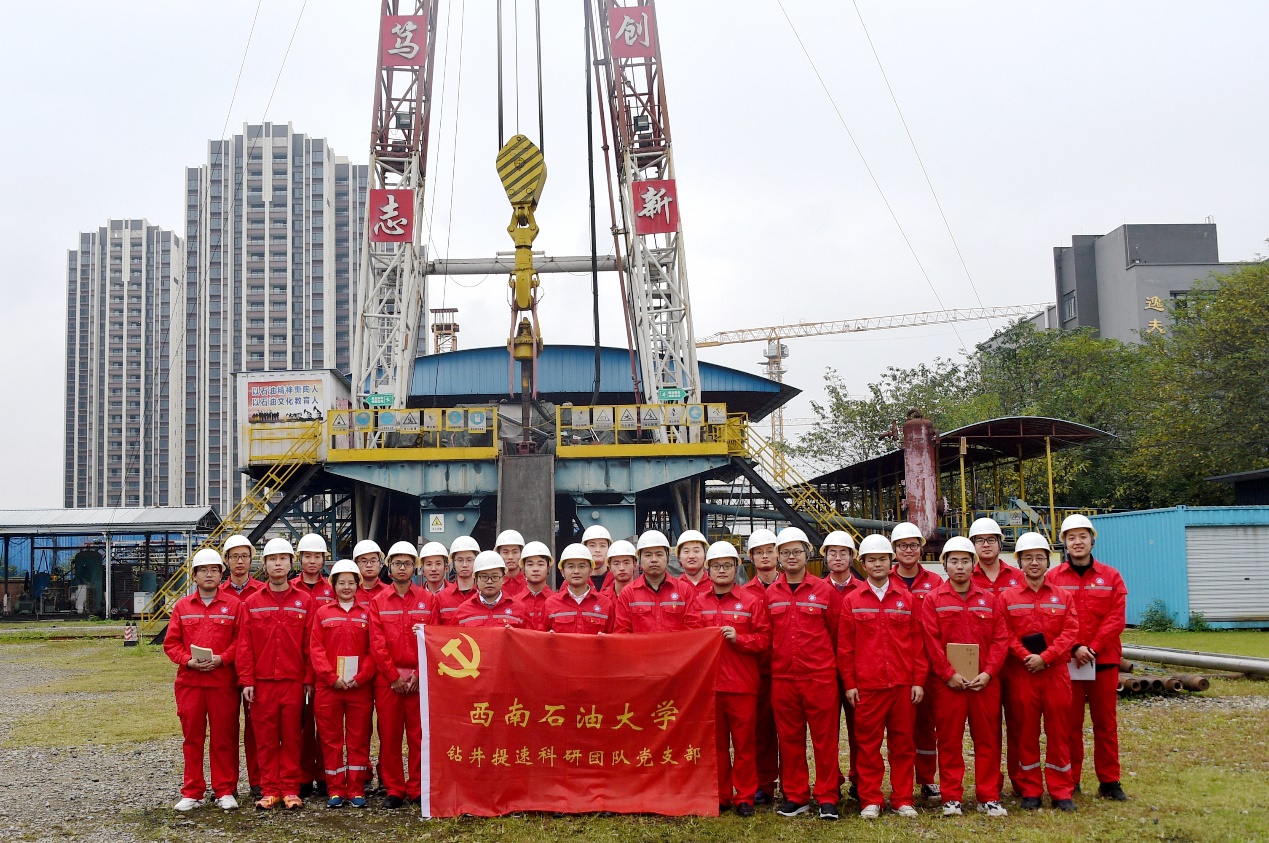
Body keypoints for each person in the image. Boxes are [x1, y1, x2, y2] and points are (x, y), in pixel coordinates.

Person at [919, 537, 1009, 818]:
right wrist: (948, 674)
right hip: (949, 685)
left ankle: (989, 796)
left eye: (965, 561)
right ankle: (951, 797)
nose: (960, 566)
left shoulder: (989, 600)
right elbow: (931, 641)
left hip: (984, 684)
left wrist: (989, 672)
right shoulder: (934, 600)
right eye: (954, 561)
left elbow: (1001, 639)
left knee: (988, 740)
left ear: (974, 564)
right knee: (949, 740)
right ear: (945, 565)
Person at [839, 533, 925, 820]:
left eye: (883, 559)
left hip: (902, 684)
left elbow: (918, 643)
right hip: (868, 686)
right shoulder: (852, 601)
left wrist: (918, 681)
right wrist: (850, 683)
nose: (877, 564)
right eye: (871, 560)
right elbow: (845, 647)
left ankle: (903, 798)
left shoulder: (906, 599)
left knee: (903, 745)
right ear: (863, 564)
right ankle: (870, 798)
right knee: (867, 746)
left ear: (892, 562)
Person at [1049, 513, 1128, 801]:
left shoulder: (1111, 577)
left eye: (1083, 536)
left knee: (1105, 724)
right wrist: (1073, 648)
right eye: (1071, 537)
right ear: (1065, 543)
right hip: (1067, 662)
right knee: (1069, 724)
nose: (1077, 542)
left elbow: (1116, 618)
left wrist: (1092, 647)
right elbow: (1050, 618)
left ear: (1092, 541)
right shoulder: (1053, 578)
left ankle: (1109, 781)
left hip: (1103, 660)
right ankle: (1070, 779)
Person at [766, 527, 842, 820]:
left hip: (819, 677)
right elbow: (768, 636)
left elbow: (836, 633)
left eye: (797, 551)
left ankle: (827, 797)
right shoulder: (771, 594)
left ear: (807, 553)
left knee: (825, 740)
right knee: (789, 740)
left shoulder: (824, 591)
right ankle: (796, 796)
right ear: (778, 557)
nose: (791, 557)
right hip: (783, 678)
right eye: (785, 552)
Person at [1001, 532, 1079, 812]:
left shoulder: (1063, 596)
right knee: (1026, 733)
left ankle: (1061, 790)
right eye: (1028, 558)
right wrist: (1026, 657)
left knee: (1059, 732)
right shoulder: (1007, 597)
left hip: (1055, 673)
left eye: (1039, 557)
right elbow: (1004, 634)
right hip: (1023, 674)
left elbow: (1070, 632)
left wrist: (1045, 658)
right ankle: (1030, 789)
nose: (1034, 562)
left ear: (1049, 561)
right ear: (1019, 562)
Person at [236, 538, 314, 811]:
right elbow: (245, 645)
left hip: (293, 682)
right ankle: (269, 790)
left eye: (283, 559)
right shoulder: (252, 602)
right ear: (264, 565)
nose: (278, 564)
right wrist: (246, 680)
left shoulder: (304, 601)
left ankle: (290, 789)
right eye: (272, 559)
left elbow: (310, 643)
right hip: (262, 683)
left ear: (292, 564)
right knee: (265, 739)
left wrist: (308, 679)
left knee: (292, 737)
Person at [164, 548, 242, 812]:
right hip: (190, 684)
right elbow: (171, 643)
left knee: (223, 738)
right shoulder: (183, 606)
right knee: (192, 738)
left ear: (222, 574)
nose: (209, 574)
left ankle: (224, 790)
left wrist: (222, 658)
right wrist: (187, 660)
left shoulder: (234, 606)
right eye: (203, 570)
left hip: (222, 683)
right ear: (194, 575)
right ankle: (192, 791)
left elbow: (240, 641)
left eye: (214, 570)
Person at [699, 541, 771, 817]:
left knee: (744, 744)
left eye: (727, 565)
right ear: (708, 570)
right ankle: (721, 795)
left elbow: (764, 639)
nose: (722, 570)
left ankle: (745, 797)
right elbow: (688, 637)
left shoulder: (751, 602)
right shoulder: (698, 603)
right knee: (716, 746)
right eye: (716, 566)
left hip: (742, 685)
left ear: (736, 568)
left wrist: (740, 639)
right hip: (709, 687)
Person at [367, 541, 435, 809]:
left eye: (407, 563)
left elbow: (434, 639)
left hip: (420, 680)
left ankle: (417, 787)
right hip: (388, 682)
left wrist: (419, 673)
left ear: (415, 566)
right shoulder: (378, 602)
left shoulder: (428, 600)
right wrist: (393, 677)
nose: (402, 568)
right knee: (390, 736)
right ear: (389, 567)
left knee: (419, 736)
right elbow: (377, 643)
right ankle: (394, 788)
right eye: (397, 563)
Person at [308, 560, 376, 809]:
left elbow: (374, 650)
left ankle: (356, 788)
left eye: (351, 582)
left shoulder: (368, 613)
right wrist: (330, 677)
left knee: (359, 738)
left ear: (358, 585)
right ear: (333, 585)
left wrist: (361, 677)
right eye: (341, 583)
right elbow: (316, 649)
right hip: (329, 688)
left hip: (359, 689)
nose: (346, 587)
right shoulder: (322, 613)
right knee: (331, 740)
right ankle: (336, 789)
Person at [967, 517, 1025, 795]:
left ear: (1001, 543)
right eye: (980, 540)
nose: (986, 545)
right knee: (988, 729)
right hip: (981, 666)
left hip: (1014, 663)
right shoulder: (965, 574)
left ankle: (1021, 781)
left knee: (1019, 725)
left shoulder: (1018, 576)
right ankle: (993, 783)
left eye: (991, 539)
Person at [889, 522, 941, 802]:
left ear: (921, 549)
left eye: (912, 545)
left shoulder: (935, 582)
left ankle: (927, 778)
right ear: (894, 550)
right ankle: (900, 782)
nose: (908, 550)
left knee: (925, 725)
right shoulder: (884, 580)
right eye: (902, 546)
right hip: (894, 663)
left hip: (928, 664)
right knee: (898, 728)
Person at [219, 535, 264, 800]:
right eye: (234, 556)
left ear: (251, 560)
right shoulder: (217, 592)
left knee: (256, 728)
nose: (239, 561)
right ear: (226, 561)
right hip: (224, 670)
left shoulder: (262, 592)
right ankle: (227, 784)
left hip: (255, 668)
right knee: (226, 729)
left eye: (244, 556)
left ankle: (258, 781)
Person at [739, 528, 781, 806]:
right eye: (759, 552)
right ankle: (764, 785)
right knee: (761, 732)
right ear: (751, 558)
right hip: (757, 672)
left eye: (769, 551)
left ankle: (793, 785)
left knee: (791, 733)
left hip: (789, 670)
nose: (765, 556)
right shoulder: (744, 594)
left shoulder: (789, 585)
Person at [293, 533, 333, 799]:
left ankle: (326, 775)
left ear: (323, 560)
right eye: (307, 556)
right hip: (298, 666)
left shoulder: (332, 589)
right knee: (304, 727)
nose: (312, 561)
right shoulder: (290, 588)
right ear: (300, 559)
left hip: (328, 666)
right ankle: (304, 776)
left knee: (327, 727)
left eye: (317, 556)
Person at [820, 531, 859, 800]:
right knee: (827, 731)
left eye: (843, 553)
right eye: (832, 553)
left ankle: (859, 780)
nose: (837, 558)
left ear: (852, 557)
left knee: (859, 730)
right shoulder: (817, 590)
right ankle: (831, 780)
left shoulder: (864, 589)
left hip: (857, 670)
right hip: (824, 670)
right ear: (825, 557)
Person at [613, 530, 703, 633]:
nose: (654, 559)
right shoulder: (628, 594)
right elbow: (622, 633)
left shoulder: (684, 590)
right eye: (648, 555)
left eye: (659, 554)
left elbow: (694, 631)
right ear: (639, 560)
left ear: (667, 558)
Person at [543, 543, 615, 634]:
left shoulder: (606, 604)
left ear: (590, 570)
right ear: (562, 572)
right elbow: (541, 639)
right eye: (571, 567)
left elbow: (614, 638)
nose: (576, 571)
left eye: (582, 566)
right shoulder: (550, 604)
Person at [450, 551, 535, 627]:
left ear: (503, 579)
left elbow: (529, 638)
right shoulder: (462, 611)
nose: (489, 581)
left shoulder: (520, 609)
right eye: (484, 577)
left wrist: (513, 635)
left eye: (495, 577)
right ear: (476, 579)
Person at [437, 536, 479, 624]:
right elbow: (434, 629)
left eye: (469, 560)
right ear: (453, 562)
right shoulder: (441, 598)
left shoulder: (484, 596)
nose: (464, 565)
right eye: (460, 560)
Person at [518, 540, 554, 629]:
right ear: (523, 569)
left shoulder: (557, 602)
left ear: (548, 568)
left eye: (540, 564)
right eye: (530, 564)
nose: (535, 569)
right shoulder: (515, 602)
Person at [352, 540, 387, 609]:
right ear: (356, 564)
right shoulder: (349, 592)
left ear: (380, 563)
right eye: (364, 561)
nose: (369, 565)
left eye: (373, 561)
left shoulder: (388, 592)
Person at [675, 529, 711, 593]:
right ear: (679, 557)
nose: (691, 556)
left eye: (696, 551)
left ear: (705, 555)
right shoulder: (674, 587)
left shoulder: (716, 585)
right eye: (686, 551)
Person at [581, 524, 615, 591]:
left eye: (602, 546)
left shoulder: (618, 579)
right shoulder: (574, 580)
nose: (597, 550)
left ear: (609, 549)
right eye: (592, 545)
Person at [494, 530, 527, 597]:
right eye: (505, 552)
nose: (510, 557)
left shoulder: (530, 584)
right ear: (498, 554)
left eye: (515, 552)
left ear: (522, 553)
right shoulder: (492, 585)